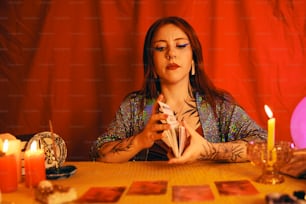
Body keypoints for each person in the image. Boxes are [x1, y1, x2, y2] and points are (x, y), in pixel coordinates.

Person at [90, 16, 266, 163]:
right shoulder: (134, 107)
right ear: (151, 62)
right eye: (160, 48)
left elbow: (265, 144)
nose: (171, 54)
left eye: (180, 45)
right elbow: (98, 153)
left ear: (193, 59)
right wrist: (141, 140)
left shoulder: (218, 106)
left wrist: (209, 150)